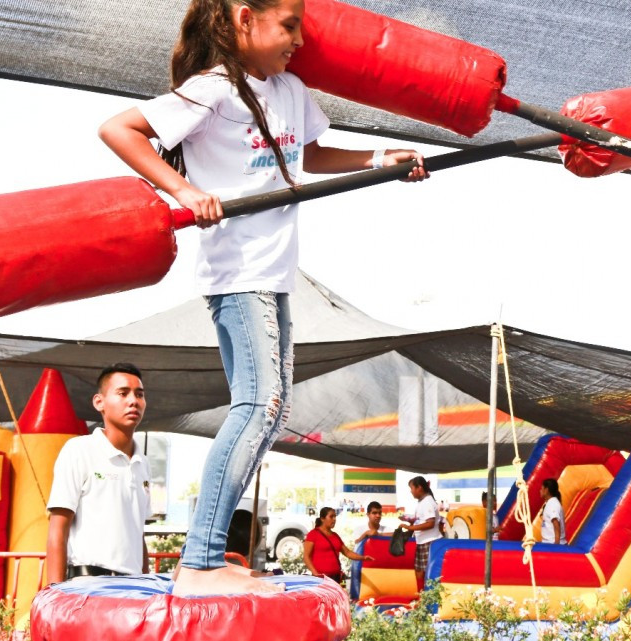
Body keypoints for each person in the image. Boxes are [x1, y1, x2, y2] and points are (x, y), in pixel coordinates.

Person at [98, 0, 427, 597]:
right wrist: (186, 191)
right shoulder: (213, 90)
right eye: (289, 26)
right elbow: (119, 129)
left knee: (271, 412)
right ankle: (199, 560)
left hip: (275, 273)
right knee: (257, 405)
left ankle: (207, 557)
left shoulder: (291, 90)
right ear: (245, 19)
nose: (298, 41)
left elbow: (307, 157)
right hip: (236, 271)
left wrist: (381, 160)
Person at [46, 363, 151, 585]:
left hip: (133, 589)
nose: (133, 401)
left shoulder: (143, 463)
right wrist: (54, 593)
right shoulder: (79, 450)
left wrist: (146, 586)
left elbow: (137, 534)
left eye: (139, 394)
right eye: (122, 393)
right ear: (99, 402)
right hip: (88, 586)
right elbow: (58, 529)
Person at [302, 507, 373, 585]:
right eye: (331, 516)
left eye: (335, 516)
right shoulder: (313, 534)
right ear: (322, 519)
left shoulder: (335, 536)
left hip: (336, 577)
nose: (334, 519)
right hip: (321, 578)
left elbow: (348, 553)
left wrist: (363, 558)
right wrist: (315, 574)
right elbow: (306, 557)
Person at [397, 476, 442, 589]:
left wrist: (410, 527)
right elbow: (422, 519)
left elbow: (430, 523)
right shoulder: (423, 502)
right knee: (419, 570)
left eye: (412, 488)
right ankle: (421, 594)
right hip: (423, 541)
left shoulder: (427, 502)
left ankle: (425, 595)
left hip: (429, 541)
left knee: (426, 571)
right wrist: (409, 520)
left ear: (419, 488)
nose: (411, 491)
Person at [539, 479, 566, 544]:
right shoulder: (550, 503)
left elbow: (556, 523)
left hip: (552, 544)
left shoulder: (553, 504)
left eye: (542, 488)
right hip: (549, 543)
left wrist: (556, 546)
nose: (540, 491)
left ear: (546, 490)